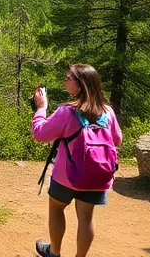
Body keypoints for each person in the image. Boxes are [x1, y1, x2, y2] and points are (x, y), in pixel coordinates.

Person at [31, 64, 122, 257]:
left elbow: (40, 133)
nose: (65, 81)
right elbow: (117, 140)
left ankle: (54, 252)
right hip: (98, 175)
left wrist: (41, 108)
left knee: (56, 208)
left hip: (66, 176)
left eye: (68, 78)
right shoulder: (108, 112)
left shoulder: (67, 111)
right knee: (86, 217)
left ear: (80, 85)